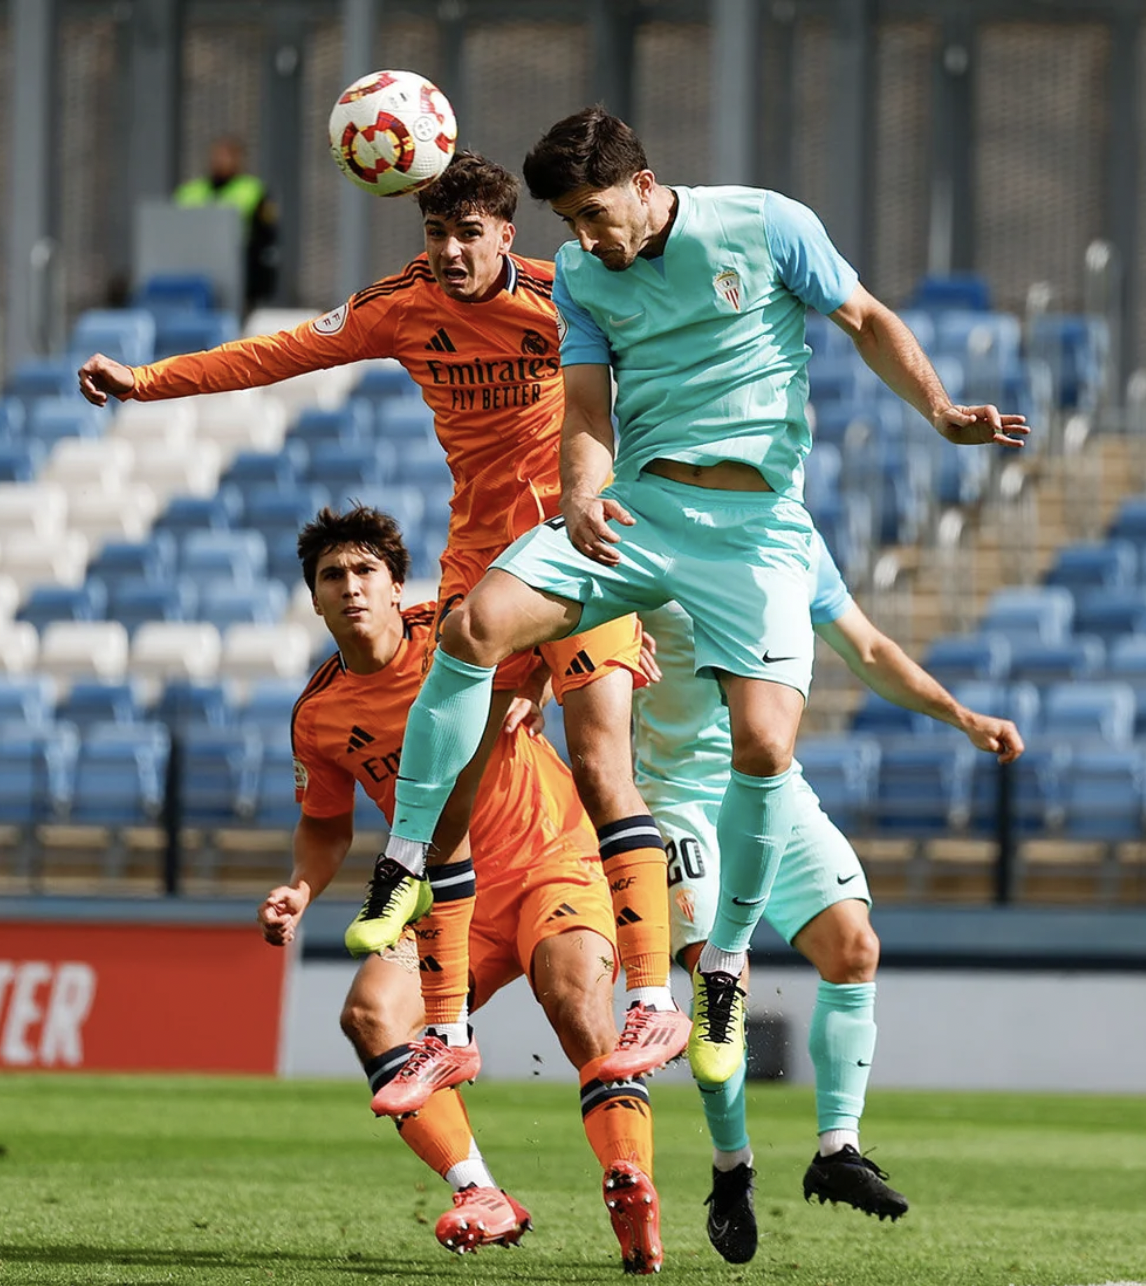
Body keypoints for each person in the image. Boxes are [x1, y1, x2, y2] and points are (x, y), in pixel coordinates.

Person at [344, 105, 1027, 1087]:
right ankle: (406, 857)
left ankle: (723, 967)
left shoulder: (763, 225)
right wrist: (581, 495)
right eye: (567, 224)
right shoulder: (582, 274)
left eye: (591, 214)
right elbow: (584, 406)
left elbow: (866, 318)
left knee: (763, 745)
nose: (581, 240)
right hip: (639, 510)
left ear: (641, 181)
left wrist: (940, 412)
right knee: (471, 624)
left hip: (754, 533)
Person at [80, 151, 688, 1108]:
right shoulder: (399, 305)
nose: (447, 252)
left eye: (466, 235)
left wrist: (637, 571)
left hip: (577, 554)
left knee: (604, 760)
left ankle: (656, 993)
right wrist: (144, 381)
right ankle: (448, 1027)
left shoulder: (564, 295)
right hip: (481, 562)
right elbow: (272, 355)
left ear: (506, 234)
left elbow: (654, 377)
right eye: (434, 234)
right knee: (440, 785)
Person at [255, 505, 664, 1273]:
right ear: (312, 598)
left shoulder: (455, 629)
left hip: (552, 861)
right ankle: (481, 1193)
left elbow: (557, 610)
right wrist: (300, 889)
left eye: (365, 572)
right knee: (372, 1015)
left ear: (396, 583)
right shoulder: (318, 715)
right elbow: (325, 825)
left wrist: (546, 677)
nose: (351, 588)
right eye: (331, 577)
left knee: (578, 1005)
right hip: (447, 895)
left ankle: (629, 1176)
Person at [636, 528, 1024, 1262]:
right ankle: (731, 1169)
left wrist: (963, 718)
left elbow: (869, 650)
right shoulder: (651, 520)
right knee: (726, 979)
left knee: (854, 948)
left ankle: (837, 1150)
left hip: (774, 790)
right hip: (678, 797)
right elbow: (562, 618)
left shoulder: (789, 536)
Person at [174, 135, 279, 310]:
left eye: (226, 155)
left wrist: (260, 285)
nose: (220, 161)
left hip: (239, 276)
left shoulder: (254, 191)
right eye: (216, 155)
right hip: (191, 274)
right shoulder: (189, 192)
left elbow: (265, 238)